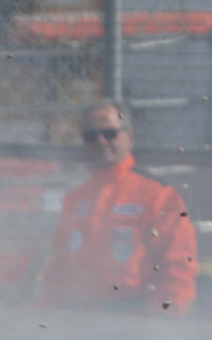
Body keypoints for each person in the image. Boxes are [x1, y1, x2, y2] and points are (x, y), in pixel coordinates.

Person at [36, 100, 197, 315]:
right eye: (91, 136)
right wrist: (44, 315)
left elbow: (179, 267)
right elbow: (58, 268)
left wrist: (162, 319)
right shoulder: (74, 199)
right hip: (77, 316)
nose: (101, 141)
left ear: (129, 137)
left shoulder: (158, 195)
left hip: (134, 317)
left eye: (109, 133)